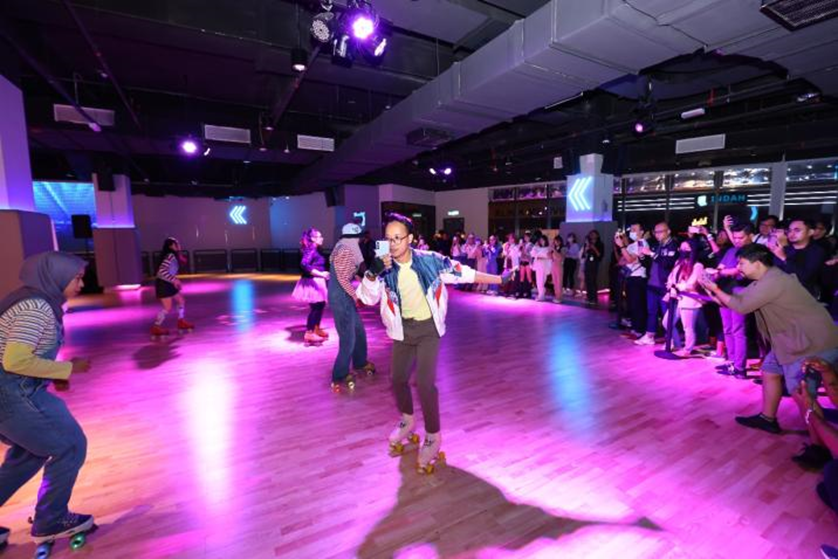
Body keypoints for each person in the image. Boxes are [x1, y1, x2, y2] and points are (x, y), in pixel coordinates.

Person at [358, 213, 506, 473]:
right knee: (397, 379)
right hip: (402, 331)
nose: (393, 244)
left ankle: (433, 435)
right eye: (388, 239)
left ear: (410, 239)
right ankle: (407, 419)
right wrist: (371, 273)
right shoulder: (383, 267)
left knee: (425, 384)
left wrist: (500, 279)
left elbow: (463, 273)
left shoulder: (430, 261)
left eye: (398, 238)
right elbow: (367, 299)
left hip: (428, 329)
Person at [0, 252, 95, 548]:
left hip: (12, 392)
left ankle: (49, 516)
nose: (81, 284)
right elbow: (15, 361)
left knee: (32, 451)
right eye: (77, 278)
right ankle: (51, 520)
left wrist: (54, 374)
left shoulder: (33, 300)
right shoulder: (36, 307)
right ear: (56, 277)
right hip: (12, 393)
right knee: (70, 445)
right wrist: (66, 368)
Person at [700, 244, 838, 434]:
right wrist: (710, 290)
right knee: (770, 370)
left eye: (741, 263)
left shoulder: (774, 281)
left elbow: (741, 307)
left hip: (807, 342)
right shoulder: (762, 281)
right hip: (791, 340)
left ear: (757, 263)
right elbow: (734, 302)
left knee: (802, 393)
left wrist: (715, 288)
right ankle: (768, 418)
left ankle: (821, 441)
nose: (738, 267)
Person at [328, 223, 375, 391]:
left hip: (343, 296)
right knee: (348, 338)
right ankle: (339, 374)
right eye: (358, 238)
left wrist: (361, 280)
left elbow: (348, 271)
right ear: (352, 238)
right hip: (341, 298)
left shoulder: (343, 247)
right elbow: (342, 278)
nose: (360, 241)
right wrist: (356, 297)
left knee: (359, 331)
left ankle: (360, 362)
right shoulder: (345, 250)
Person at [636, 222, 678, 345]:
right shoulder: (656, 245)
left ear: (668, 231)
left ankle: (670, 339)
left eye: (660, 231)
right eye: (655, 232)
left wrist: (651, 254)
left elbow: (668, 263)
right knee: (651, 312)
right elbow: (648, 264)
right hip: (652, 284)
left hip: (664, 286)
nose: (657, 234)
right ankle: (650, 335)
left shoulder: (673, 246)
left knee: (667, 314)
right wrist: (642, 257)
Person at [665, 237, 705, 357]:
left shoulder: (698, 266)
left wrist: (677, 286)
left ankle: (687, 349)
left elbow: (690, 284)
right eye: (681, 248)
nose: (683, 250)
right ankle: (676, 344)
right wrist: (671, 285)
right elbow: (671, 277)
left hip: (690, 300)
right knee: (666, 322)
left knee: (688, 327)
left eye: (686, 248)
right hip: (677, 298)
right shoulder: (679, 262)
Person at [292, 228, 330, 345]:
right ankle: (309, 332)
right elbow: (304, 264)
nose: (322, 238)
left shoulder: (316, 248)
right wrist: (321, 274)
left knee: (320, 305)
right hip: (313, 281)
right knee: (316, 307)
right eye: (320, 236)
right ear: (313, 238)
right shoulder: (311, 249)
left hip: (317, 281)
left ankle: (315, 328)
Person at [150, 237, 194, 336]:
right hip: (163, 284)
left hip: (169, 283)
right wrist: (174, 280)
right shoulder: (170, 256)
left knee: (181, 300)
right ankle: (156, 327)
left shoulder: (173, 255)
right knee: (167, 307)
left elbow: (170, 270)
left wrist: (174, 280)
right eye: (176, 244)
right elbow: (161, 272)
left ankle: (181, 321)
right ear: (171, 246)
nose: (178, 245)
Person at [582, 230, 604, 306]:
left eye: (594, 234)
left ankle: (594, 299)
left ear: (597, 235)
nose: (592, 235)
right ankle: (589, 297)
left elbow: (600, 255)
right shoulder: (588, 243)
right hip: (588, 262)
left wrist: (594, 248)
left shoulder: (600, 244)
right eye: (591, 234)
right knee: (587, 280)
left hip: (594, 263)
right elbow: (584, 255)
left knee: (592, 281)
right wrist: (586, 248)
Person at [531, 235, 552, 302]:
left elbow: (548, 256)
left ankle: (541, 295)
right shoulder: (537, 248)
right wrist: (535, 247)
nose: (541, 241)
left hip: (544, 266)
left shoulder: (548, 248)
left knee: (542, 280)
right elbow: (532, 254)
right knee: (538, 281)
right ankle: (541, 294)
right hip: (538, 266)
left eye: (543, 240)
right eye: (540, 240)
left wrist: (539, 256)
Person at [550, 234, 564, 304]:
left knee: (559, 282)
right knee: (554, 281)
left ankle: (559, 297)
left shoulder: (563, 249)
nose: (556, 242)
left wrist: (554, 250)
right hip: (553, 265)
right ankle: (556, 295)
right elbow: (550, 257)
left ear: (560, 242)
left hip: (559, 266)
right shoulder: (554, 249)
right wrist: (550, 251)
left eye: (557, 241)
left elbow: (560, 257)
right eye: (555, 241)